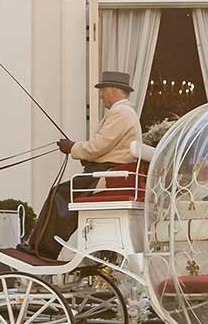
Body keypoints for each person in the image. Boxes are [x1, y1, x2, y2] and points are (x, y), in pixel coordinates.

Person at [30, 71, 142, 258]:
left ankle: (42, 248)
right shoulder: (125, 113)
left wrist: (71, 147)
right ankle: (44, 246)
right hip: (107, 172)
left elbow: (96, 147)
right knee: (63, 193)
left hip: (105, 175)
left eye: (103, 90)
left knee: (59, 193)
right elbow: (106, 148)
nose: (100, 95)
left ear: (113, 90)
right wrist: (83, 154)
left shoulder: (121, 113)